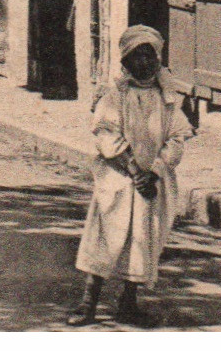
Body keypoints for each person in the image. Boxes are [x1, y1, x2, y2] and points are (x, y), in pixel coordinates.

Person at [68, 26, 193, 327]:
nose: (144, 63)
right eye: (137, 56)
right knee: (106, 236)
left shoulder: (169, 98)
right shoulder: (114, 97)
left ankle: (128, 302)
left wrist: (156, 171)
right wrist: (135, 172)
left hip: (152, 180)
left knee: (143, 237)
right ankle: (88, 304)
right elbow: (107, 135)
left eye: (149, 55)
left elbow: (177, 137)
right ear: (125, 61)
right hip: (119, 178)